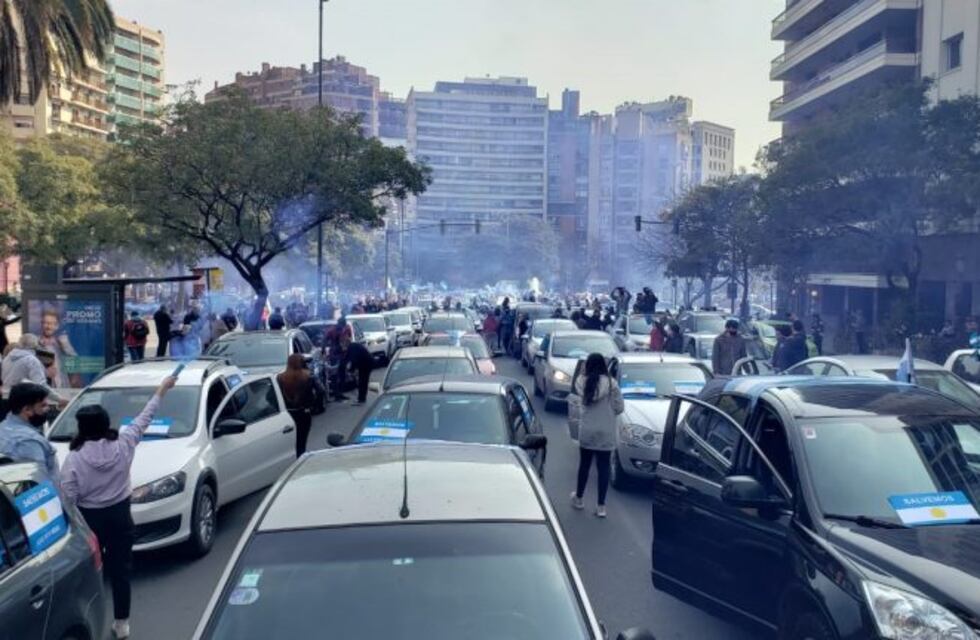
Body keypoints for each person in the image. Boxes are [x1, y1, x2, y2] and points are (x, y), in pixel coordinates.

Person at [61, 375, 176, 640]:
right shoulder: (125, 444)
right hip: (121, 517)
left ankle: (92, 618)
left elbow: (68, 497)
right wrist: (162, 389)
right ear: (106, 424)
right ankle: (122, 624)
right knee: (121, 572)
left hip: (89, 521)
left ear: (81, 428)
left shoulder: (74, 459)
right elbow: (146, 416)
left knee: (92, 572)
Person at [567, 353, 624, 519]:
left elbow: (580, 394)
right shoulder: (612, 384)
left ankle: (579, 498)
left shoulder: (581, 382)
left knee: (584, 465)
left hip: (587, 430)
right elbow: (619, 408)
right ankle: (601, 506)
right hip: (606, 430)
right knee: (603, 467)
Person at [0, 382, 59, 479]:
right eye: (43, 406)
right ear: (27, 409)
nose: (47, 409)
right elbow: (39, 485)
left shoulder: (3, 427)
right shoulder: (29, 442)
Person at [277, 354, 323, 457]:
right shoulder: (309, 376)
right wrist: (315, 406)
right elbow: (321, 391)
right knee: (301, 442)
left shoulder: (280, 378)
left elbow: (270, 397)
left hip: (288, 413)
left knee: (289, 442)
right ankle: (300, 459)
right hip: (303, 412)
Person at [39, 309, 81, 388]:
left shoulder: (62, 343)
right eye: (46, 323)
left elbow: (75, 360)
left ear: (57, 326)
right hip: (45, 389)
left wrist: (74, 377)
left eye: (52, 324)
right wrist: (44, 372)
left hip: (63, 386)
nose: (48, 326)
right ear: (41, 324)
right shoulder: (35, 344)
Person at [340, 336, 373, 405]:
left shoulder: (352, 347)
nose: (341, 345)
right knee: (362, 381)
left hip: (366, 364)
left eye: (342, 344)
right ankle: (361, 398)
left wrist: (351, 370)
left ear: (346, 343)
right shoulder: (352, 346)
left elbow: (353, 359)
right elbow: (347, 358)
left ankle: (361, 399)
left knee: (362, 381)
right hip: (365, 363)